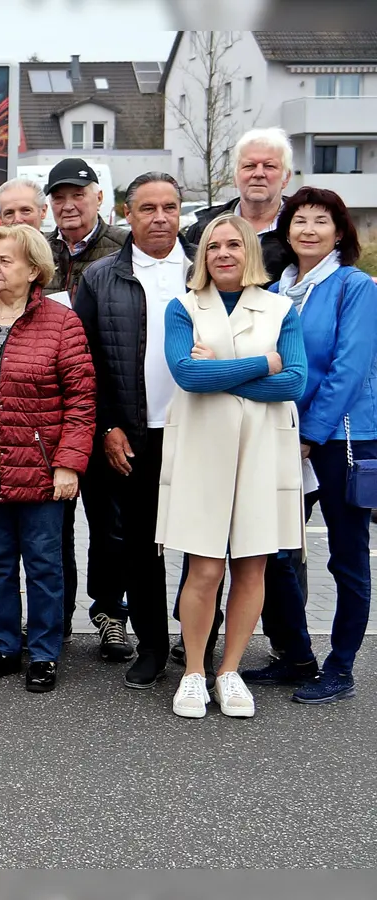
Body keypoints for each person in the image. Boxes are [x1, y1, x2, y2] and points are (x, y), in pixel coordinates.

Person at [160, 214, 307, 718]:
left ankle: (231, 672)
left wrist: (217, 373)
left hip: (262, 450)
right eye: (213, 246)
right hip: (204, 448)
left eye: (233, 245)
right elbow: (185, 375)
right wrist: (264, 363)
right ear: (202, 256)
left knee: (253, 563)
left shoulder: (280, 309)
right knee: (203, 566)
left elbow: (294, 383)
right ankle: (195, 672)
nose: (223, 253)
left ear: (250, 252)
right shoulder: (182, 308)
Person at [248, 187, 377, 705]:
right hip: (285, 434)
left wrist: (310, 433)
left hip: (343, 438)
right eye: (298, 219)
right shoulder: (279, 289)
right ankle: (297, 655)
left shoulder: (355, 286)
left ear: (339, 232)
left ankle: (340, 667)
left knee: (346, 558)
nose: (307, 229)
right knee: (273, 551)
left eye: (320, 221)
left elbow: (349, 368)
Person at [0, 225, 96, 694]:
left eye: (7, 260)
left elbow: (81, 400)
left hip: (39, 466)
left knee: (43, 564)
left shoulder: (61, 322)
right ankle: (3, 647)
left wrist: (68, 463)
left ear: (34, 269)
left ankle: (43, 653)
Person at [73, 172, 189, 688]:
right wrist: (107, 427)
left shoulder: (204, 268)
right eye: (148, 208)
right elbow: (84, 362)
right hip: (134, 436)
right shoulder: (101, 277)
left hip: (197, 433)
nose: (160, 217)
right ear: (128, 213)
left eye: (169, 207)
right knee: (141, 548)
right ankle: (153, 647)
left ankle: (201, 641)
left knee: (202, 546)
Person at [186, 128, 295, 280]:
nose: (258, 174)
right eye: (249, 166)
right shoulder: (203, 230)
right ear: (235, 177)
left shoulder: (302, 232)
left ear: (286, 178)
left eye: (269, 166)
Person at [45, 158, 129, 299]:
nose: (68, 206)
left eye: (78, 195)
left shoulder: (125, 246)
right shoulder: (38, 249)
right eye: (58, 198)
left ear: (99, 198)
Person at [0, 178, 48, 290]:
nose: (18, 219)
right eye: (9, 213)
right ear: (0, 218)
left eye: (25, 210)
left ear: (43, 211)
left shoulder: (62, 255)